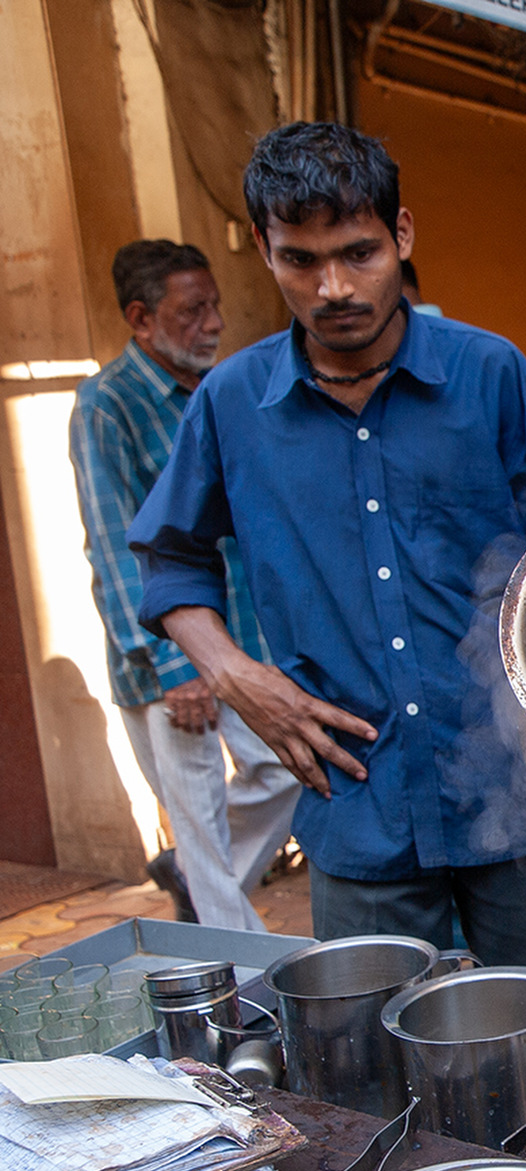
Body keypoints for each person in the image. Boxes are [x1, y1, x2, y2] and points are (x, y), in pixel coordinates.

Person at [129, 123, 526, 972]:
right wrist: (236, 674)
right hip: (354, 799)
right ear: (266, 251)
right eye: (301, 260)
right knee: (379, 1077)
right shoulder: (232, 403)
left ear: (401, 235)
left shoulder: (492, 376)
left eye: (359, 252)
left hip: (514, 798)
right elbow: (169, 561)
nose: (334, 285)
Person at [69, 240, 300, 931]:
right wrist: (175, 667)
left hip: (239, 641)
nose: (214, 323)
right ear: (142, 320)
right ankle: (248, 987)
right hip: (167, 663)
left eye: (215, 306)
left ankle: (193, 879)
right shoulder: (105, 404)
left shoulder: (216, 390)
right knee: (200, 826)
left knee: (282, 770)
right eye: (193, 311)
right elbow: (113, 548)